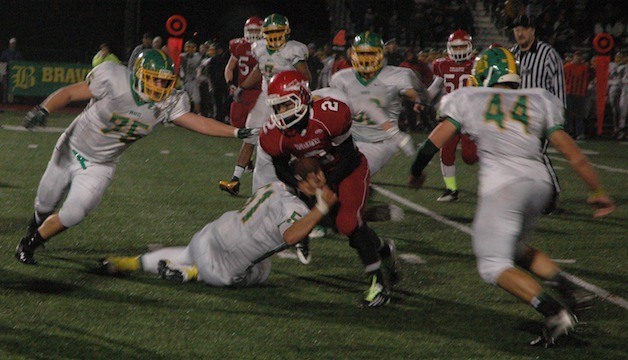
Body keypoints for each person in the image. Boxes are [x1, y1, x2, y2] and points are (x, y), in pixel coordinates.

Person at [409, 47, 615, 347]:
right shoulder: (539, 98)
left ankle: (555, 313)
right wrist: (597, 191)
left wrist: (416, 173)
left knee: (492, 264)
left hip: (505, 187)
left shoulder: (469, 98)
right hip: (539, 183)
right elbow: (574, 154)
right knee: (516, 247)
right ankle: (571, 290)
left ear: (484, 74)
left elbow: (431, 144)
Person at [15, 49, 257, 266]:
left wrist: (235, 132)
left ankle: (29, 243)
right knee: (44, 203)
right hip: (71, 148)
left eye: (165, 81)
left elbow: (197, 122)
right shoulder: (115, 79)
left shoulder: (168, 102)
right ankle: (35, 225)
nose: (161, 87)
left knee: (74, 212)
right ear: (139, 74)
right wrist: (43, 108)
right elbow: (69, 93)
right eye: (155, 79)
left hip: (101, 164)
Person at [259, 70, 399, 307]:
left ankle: (379, 286)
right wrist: (301, 185)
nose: (280, 113)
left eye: (285, 105)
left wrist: (331, 185)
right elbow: (281, 167)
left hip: (348, 169)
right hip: (317, 179)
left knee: (348, 223)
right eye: (277, 107)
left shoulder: (329, 114)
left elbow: (348, 156)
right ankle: (383, 249)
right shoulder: (274, 134)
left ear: (302, 97)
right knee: (340, 225)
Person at [100, 158, 338, 288]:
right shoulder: (295, 207)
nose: (322, 185)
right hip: (223, 270)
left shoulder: (273, 186)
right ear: (303, 184)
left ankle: (129, 263)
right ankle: (190, 274)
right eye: (317, 181)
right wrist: (321, 208)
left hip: (208, 235)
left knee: (190, 252)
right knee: (263, 270)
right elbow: (291, 236)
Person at [219, 13, 311, 196]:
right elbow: (259, 69)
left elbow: (306, 77)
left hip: (288, 102)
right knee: (250, 133)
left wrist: (296, 94)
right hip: (266, 97)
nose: (275, 36)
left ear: (287, 32)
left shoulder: (293, 50)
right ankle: (235, 179)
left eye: (278, 32)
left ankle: (300, 183)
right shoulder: (259, 48)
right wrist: (242, 87)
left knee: (293, 141)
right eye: (270, 32)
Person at [330, 31, 421, 177]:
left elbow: (415, 94)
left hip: (381, 140)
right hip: (348, 139)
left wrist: (416, 98)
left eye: (371, 53)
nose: (366, 59)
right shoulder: (341, 78)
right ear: (353, 54)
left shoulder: (396, 75)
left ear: (381, 54)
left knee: (353, 175)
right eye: (361, 53)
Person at [511, 14, 565, 213]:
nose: (519, 33)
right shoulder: (512, 53)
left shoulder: (548, 54)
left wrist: (558, 116)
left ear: (533, 30)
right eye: (516, 29)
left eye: (523, 28)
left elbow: (558, 87)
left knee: (537, 154)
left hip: (542, 115)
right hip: (517, 117)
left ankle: (551, 197)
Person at [417, 30, 478, 201]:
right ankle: (451, 190)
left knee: (470, 157)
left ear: (469, 46)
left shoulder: (477, 65)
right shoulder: (442, 64)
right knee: (446, 152)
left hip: (469, 118)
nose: (458, 50)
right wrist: (421, 100)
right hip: (450, 116)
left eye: (462, 47)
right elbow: (435, 87)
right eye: (455, 47)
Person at [219, 17, 264, 189]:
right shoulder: (238, 45)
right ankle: (246, 168)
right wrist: (231, 85)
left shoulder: (267, 48)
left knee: (251, 135)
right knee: (239, 126)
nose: (252, 34)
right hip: (243, 93)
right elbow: (229, 67)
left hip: (262, 94)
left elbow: (259, 72)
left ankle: (236, 179)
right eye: (250, 30)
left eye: (255, 30)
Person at [564, 50, 591, 139]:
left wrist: (584, 91)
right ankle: (569, 132)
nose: (578, 58)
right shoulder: (567, 67)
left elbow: (586, 80)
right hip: (569, 92)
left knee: (579, 115)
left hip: (579, 93)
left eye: (580, 56)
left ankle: (580, 133)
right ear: (574, 57)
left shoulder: (584, 68)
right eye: (577, 56)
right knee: (569, 114)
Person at [179, 40, 203, 114]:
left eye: (192, 47)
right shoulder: (181, 56)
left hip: (193, 80)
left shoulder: (198, 57)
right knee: (183, 100)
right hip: (183, 81)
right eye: (188, 47)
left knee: (196, 99)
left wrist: (197, 78)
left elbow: (200, 69)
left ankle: (198, 115)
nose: (190, 49)